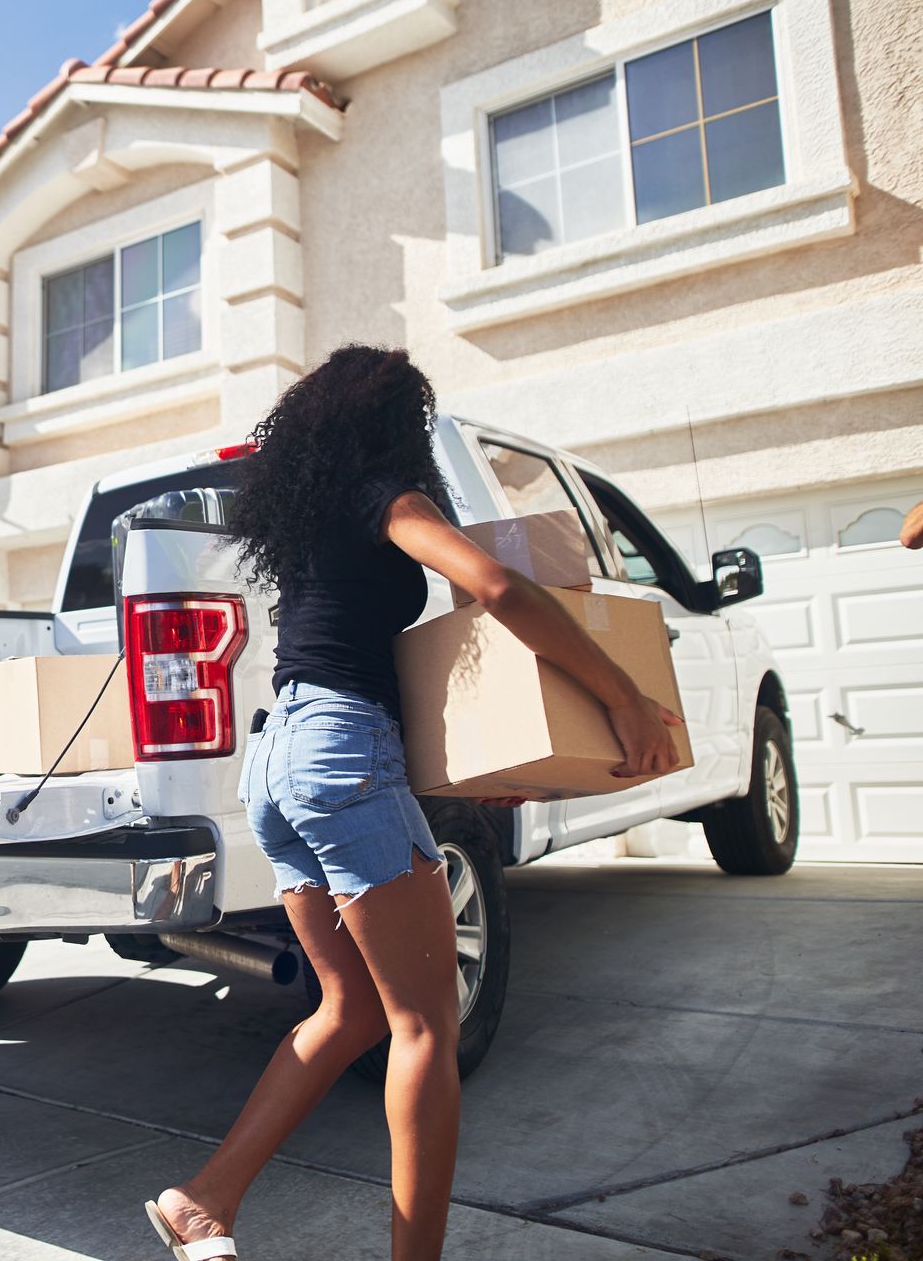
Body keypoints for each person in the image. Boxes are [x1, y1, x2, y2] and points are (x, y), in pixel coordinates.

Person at [144, 346, 681, 1261]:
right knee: (425, 1023)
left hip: (277, 759)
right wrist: (623, 695)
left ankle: (204, 1199)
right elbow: (498, 587)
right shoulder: (391, 498)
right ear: (397, 426)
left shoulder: (306, 520)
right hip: (337, 752)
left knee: (348, 1005)